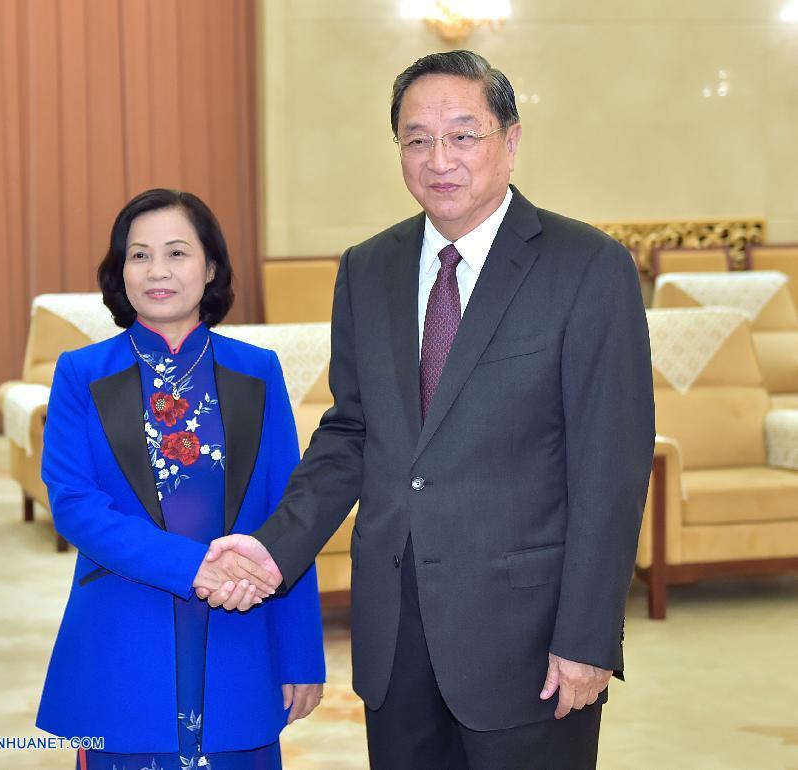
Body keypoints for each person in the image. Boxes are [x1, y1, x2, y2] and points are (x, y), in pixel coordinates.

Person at [200, 51, 655, 769]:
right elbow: (352, 433)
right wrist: (273, 545)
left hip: (529, 641)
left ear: (511, 140)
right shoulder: (368, 267)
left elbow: (612, 467)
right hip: (395, 637)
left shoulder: (586, 266)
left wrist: (589, 636)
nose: (439, 159)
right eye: (416, 139)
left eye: (462, 135)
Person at [36, 188, 325, 770]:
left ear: (210, 266)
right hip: (124, 633)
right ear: (121, 272)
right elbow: (75, 505)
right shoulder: (81, 374)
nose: (157, 271)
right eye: (139, 255)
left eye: (176, 253)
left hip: (241, 633)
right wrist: (193, 568)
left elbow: (288, 512)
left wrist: (300, 655)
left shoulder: (256, 373)